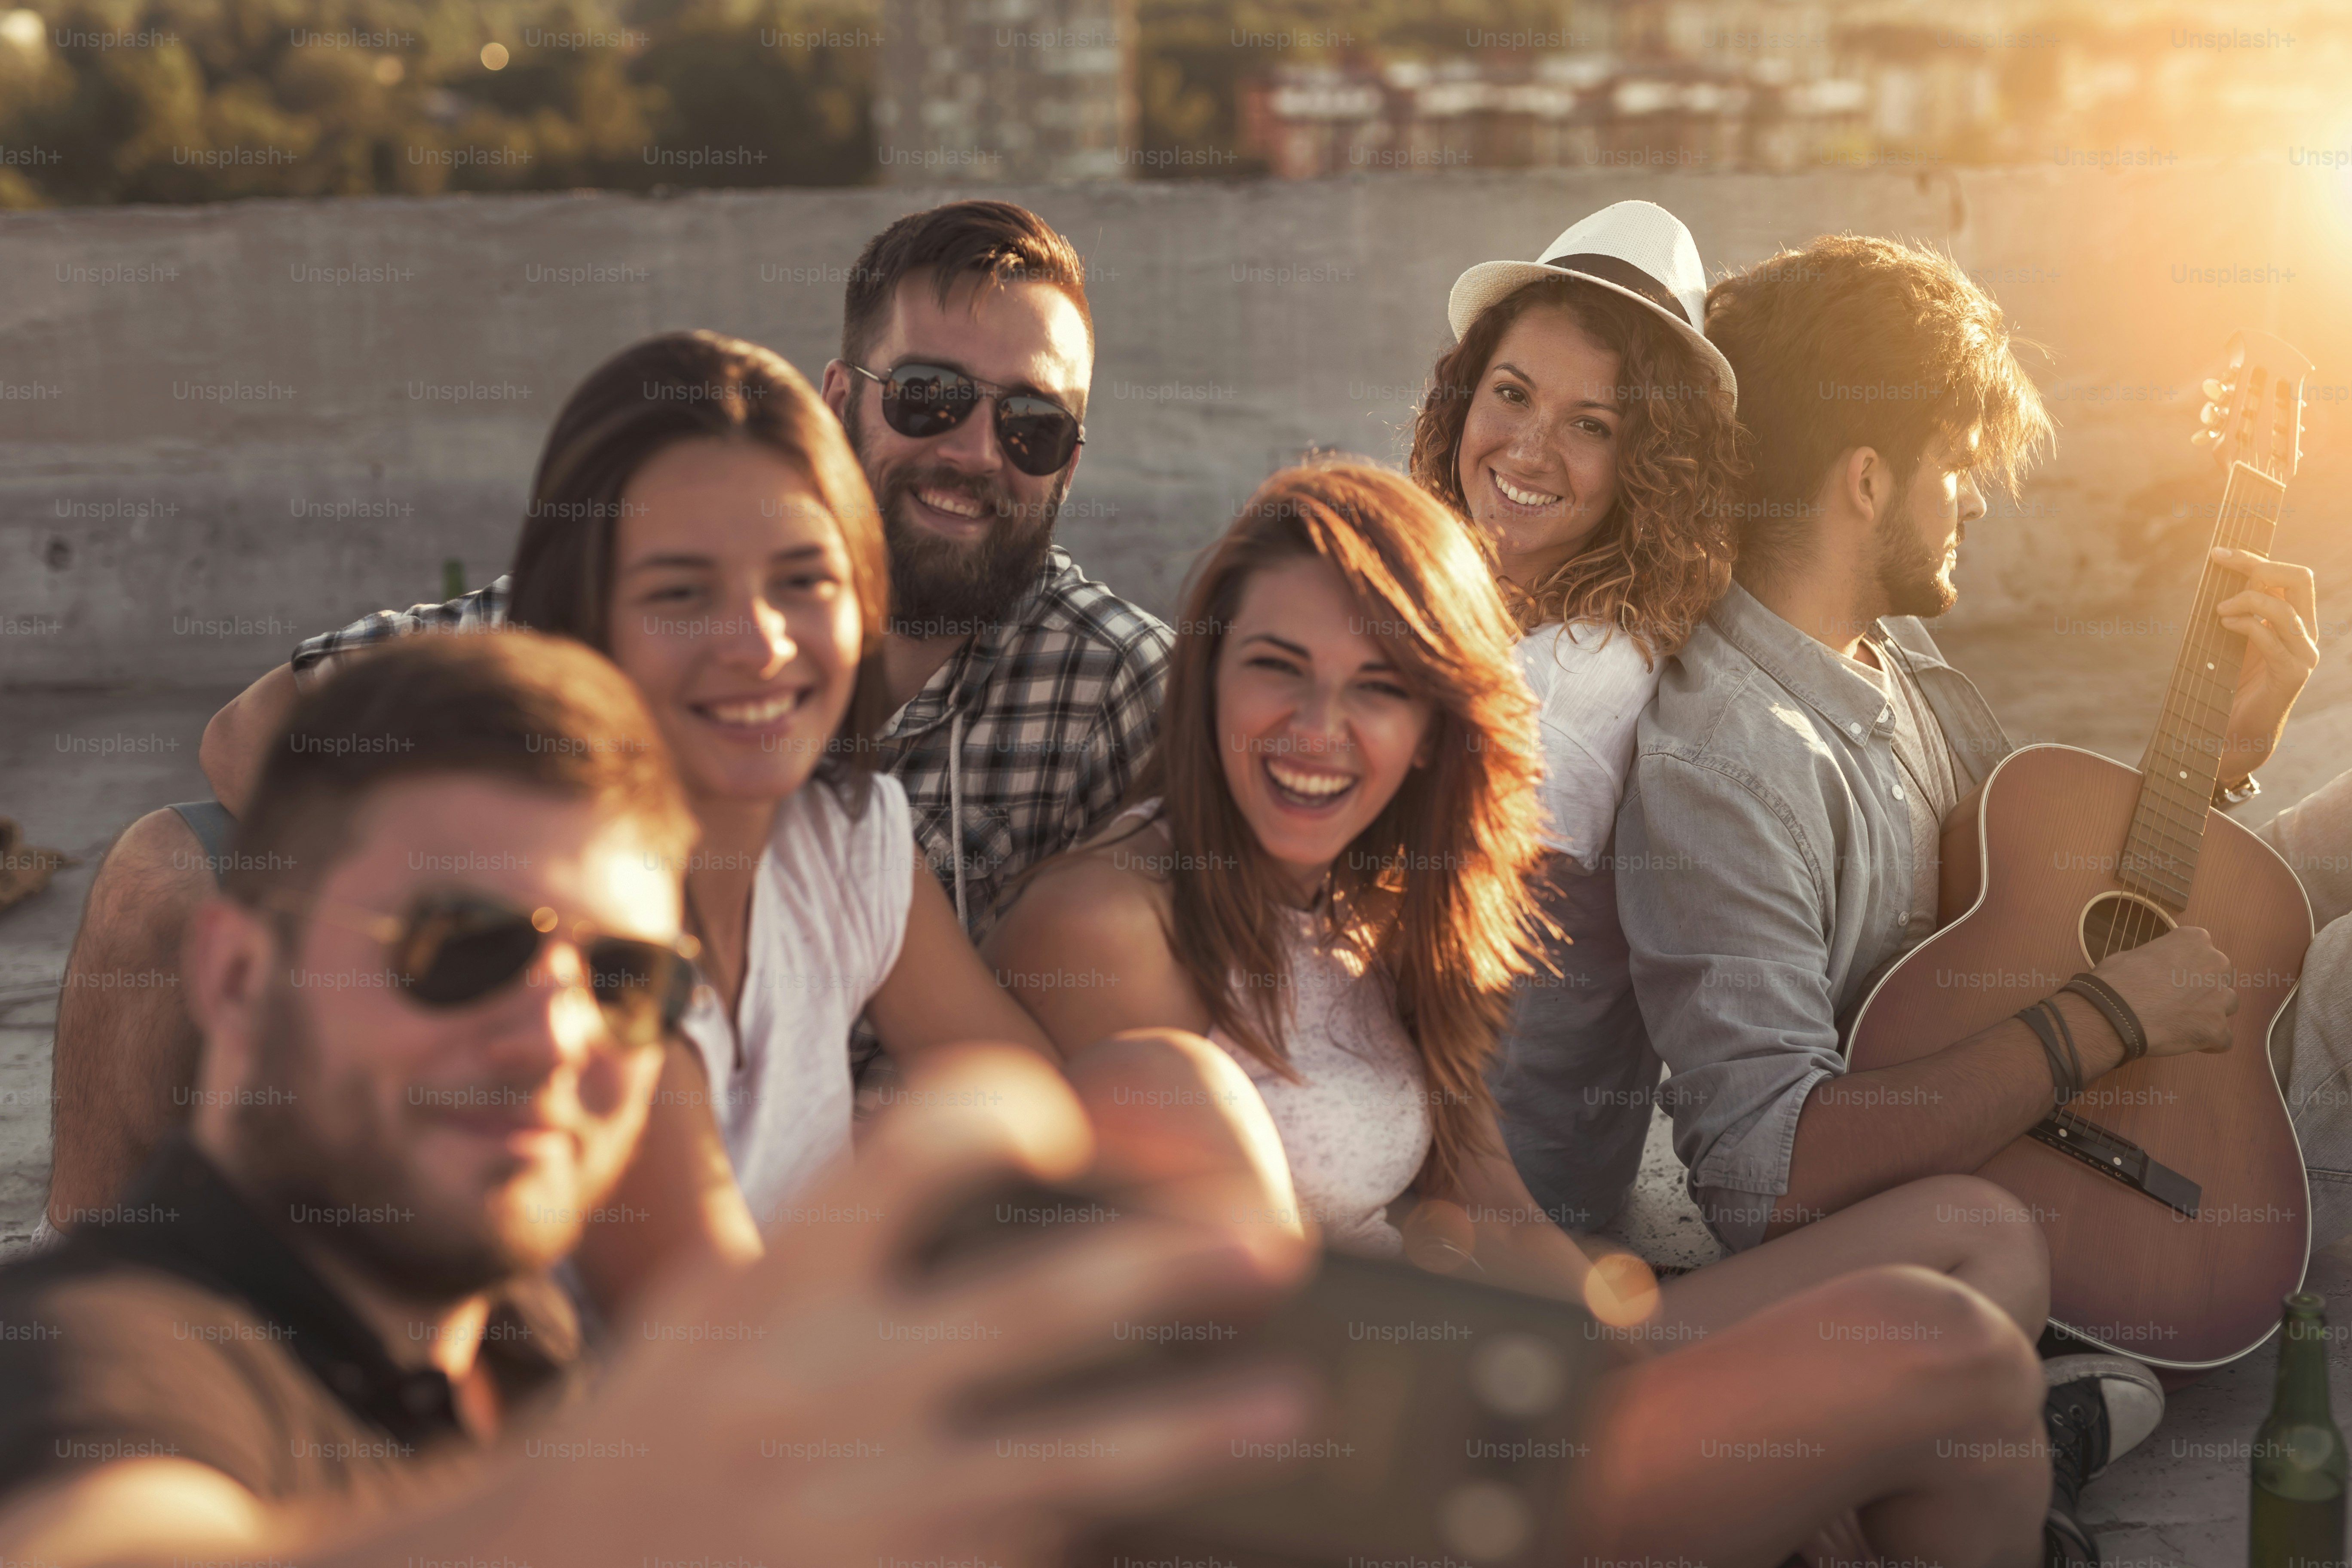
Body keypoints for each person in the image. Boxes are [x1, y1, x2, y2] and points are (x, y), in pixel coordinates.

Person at [0, 631, 1315, 1568]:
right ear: (236, 972)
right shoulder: (97, 1352)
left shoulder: (497, 1336)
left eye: (624, 976)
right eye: (461, 945)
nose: (557, 1031)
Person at [985, 458, 2077, 1568]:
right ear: (1208, 676)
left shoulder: (1371, 898)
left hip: (1468, 1374)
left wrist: (1751, 1407)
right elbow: (1226, 1356)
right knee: (1956, 1366)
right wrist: (1763, 1425)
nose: (1320, 731)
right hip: (1350, 1476)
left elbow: (1494, 1209)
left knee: (1979, 1238)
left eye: (1380, 686)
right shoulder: (1115, 927)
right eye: (1279, 669)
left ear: (1434, 722)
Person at [50, 197, 1164, 1227]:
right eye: (931, 398)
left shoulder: (1070, 712)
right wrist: (495, 907)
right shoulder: (601, 644)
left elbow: (1074, 1061)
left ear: (1068, 462)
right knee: (166, 866)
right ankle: (75, 1334)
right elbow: (256, 735)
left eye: (1032, 426)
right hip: (579, 1181)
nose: (974, 451)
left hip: (836, 1195)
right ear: (841, 403)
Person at [1614, 233, 2331, 1562]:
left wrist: (2221, 760)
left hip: (2015, 1148)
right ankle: (1992, 1436)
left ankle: (2019, 1419)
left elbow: (2041, 898)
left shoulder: (1894, 658)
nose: (1975, 501)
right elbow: (1766, 1181)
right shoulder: (1728, 764)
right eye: (1955, 463)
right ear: (1869, 477)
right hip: (1891, 1237)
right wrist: (2103, 1024)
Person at [1407, 198, 1743, 1234]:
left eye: (1591, 426)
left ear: (1650, 468)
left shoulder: (1588, 672)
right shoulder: (1466, 607)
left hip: (1477, 1208)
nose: (1529, 450)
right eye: (1511, 394)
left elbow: (1434, 959)